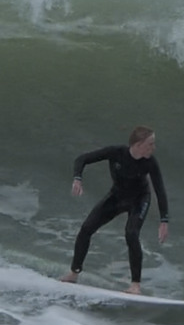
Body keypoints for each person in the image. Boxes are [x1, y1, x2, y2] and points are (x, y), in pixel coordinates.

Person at [60, 125, 170, 295]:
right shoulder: (116, 152)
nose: (153, 147)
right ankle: (74, 273)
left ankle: (135, 285)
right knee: (86, 229)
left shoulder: (150, 162)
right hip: (117, 196)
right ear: (139, 144)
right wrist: (77, 178)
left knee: (131, 233)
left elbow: (159, 189)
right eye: (151, 144)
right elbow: (82, 159)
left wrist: (164, 220)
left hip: (139, 200)